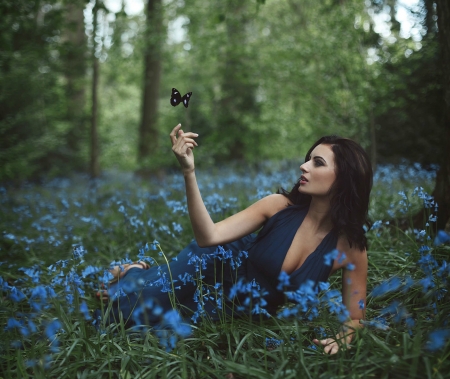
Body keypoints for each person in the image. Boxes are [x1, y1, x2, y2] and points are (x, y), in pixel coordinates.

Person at [100, 123, 373, 355]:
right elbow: (210, 236)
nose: (303, 166)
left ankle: (135, 274)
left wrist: (343, 337)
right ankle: (135, 271)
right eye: (308, 158)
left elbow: (355, 318)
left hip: (242, 309)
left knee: (152, 334)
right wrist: (188, 172)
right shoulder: (278, 206)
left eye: (318, 162)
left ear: (344, 179)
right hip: (216, 260)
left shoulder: (350, 250)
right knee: (122, 313)